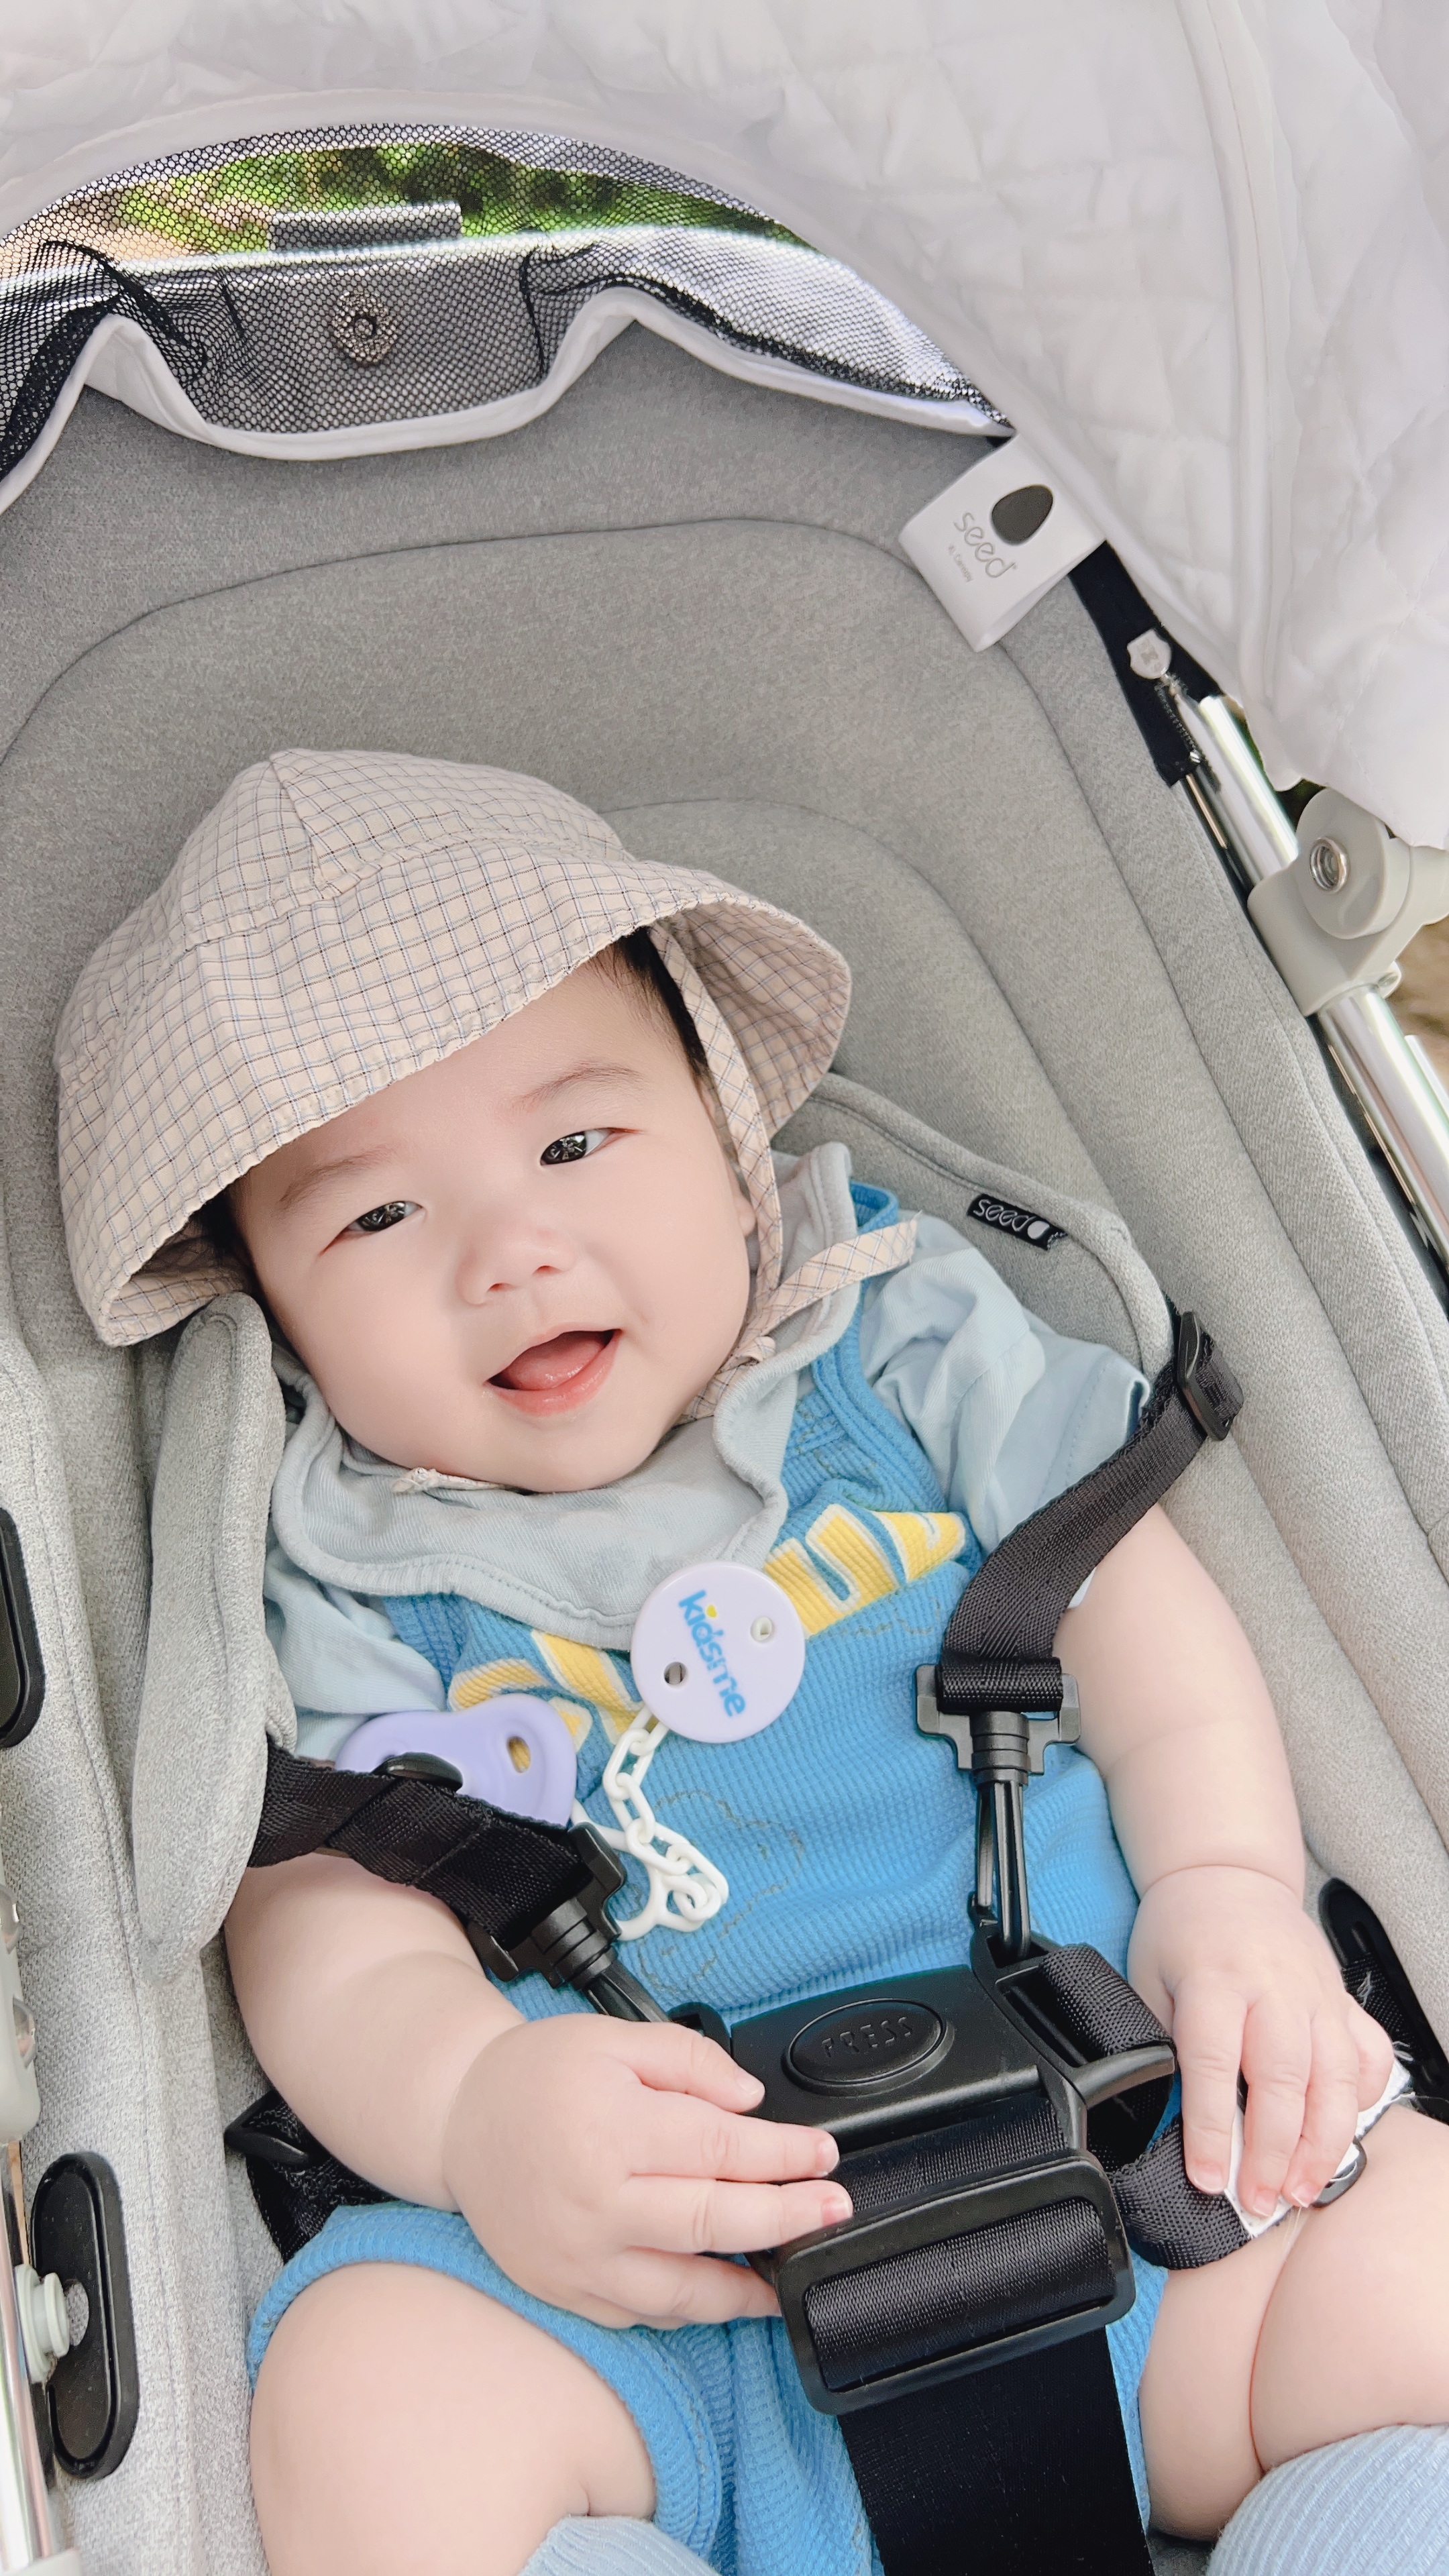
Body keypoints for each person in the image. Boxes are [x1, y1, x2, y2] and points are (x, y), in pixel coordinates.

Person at [55, 750, 1449, 2576]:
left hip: (1136, 2158)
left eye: (573, 1146)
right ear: (277, 1312)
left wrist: (1228, 1887)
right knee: (367, 2393)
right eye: (377, 1217)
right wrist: (473, 2112)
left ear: (730, 1147)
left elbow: (1137, 1620)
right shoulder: (331, 1556)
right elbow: (323, 1927)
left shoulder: (897, 1335)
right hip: (658, 2301)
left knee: (1413, 2255)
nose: (510, 1252)